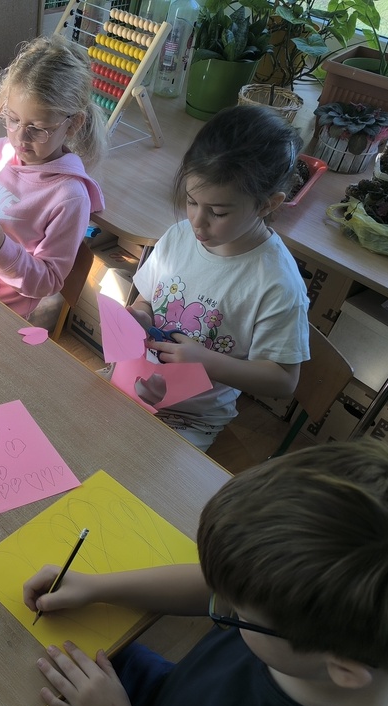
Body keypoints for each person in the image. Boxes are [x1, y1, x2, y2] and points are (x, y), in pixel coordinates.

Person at [24, 439, 388, 706]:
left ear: (343, 669)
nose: (223, 605)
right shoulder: (328, 633)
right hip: (171, 703)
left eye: (234, 612)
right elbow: (225, 588)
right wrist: (98, 586)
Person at [127, 105, 310, 451]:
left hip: (191, 417)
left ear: (268, 205)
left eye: (218, 212)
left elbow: (284, 380)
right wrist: (139, 316)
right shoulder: (179, 237)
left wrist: (207, 362)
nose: (197, 222)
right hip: (133, 382)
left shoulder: (277, 283)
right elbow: (147, 299)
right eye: (191, 201)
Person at [0, 34, 105, 321]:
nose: (20, 137)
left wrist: (1, 250)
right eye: (13, 119)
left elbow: (48, 281)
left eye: (38, 128)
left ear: (72, 124)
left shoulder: (69, 197)